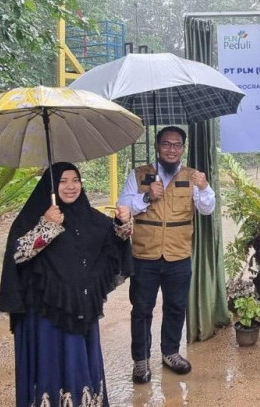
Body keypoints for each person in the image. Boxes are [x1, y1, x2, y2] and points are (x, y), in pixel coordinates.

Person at [0, 162, 133, 406]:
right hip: (44, 310)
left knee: (79, 362)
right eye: (62, 181)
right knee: (51, 362)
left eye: (75, 180)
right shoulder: (33, 216)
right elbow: (17, 255)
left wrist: (123, 223)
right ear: (50, 186)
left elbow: (114, 243)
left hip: (82, 307)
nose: (71, 187)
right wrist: (47, 226)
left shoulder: (90, 217)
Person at [118, 126, 215, 384]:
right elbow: (123, 207)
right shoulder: (139, 175)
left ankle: (170, 353)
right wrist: (147, 197)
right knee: (141, 310)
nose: (171, 149)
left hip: (178, 255)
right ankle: (141, 361)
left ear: (183, 148)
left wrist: (204, 188)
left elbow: (207, 209)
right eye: (166, 144)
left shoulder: (193, 176)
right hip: (144, 256)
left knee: (175, 307)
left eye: (177, 145)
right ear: (157, 147)